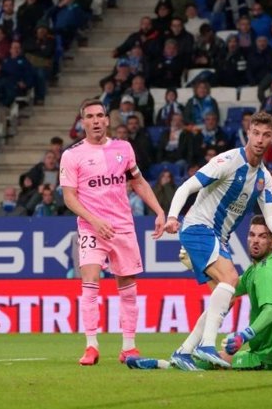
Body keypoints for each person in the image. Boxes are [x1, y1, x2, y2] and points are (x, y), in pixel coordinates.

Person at [165, 111, 272, 371]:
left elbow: (270, 214)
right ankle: (206, 345)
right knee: (231, 280)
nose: (260, 140)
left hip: (218, 238)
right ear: (248, 132)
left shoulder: (263, 178)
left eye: (266, 135)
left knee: (226, 297)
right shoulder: (228, 160)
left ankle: (183, 351)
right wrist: (173, 217)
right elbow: (186, 187)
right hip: (198, 228)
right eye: (256, 133)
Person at [128, 216, 272, 371]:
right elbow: (225, 294)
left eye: (262, 236)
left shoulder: (266, 272)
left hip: (271, 356)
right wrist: (199, 267)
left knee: (211, 360)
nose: (255, 241)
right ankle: (167, 361)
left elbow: (270, 312)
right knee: (215, 355)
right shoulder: (257, 269)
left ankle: (162, 365)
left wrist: (243, 336)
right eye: (252, 234)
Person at [59, 99, 166, 366]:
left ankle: (128, 347)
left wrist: (159, 211)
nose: (95, 121)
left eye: (100, 116)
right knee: (90, 281)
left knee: (127, 288)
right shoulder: (72, 155)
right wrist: (94, 221)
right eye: (90, 117)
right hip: (91, 228)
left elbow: (138, 181)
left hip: (122, 227)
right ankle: (91, 345)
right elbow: (69, 198)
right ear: (82, 122)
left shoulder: (124, 148)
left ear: (107, 120)